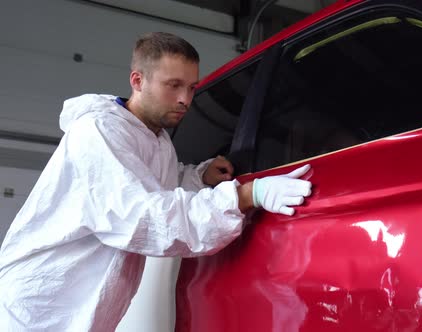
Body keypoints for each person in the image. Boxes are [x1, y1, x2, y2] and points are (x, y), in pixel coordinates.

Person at [0, 32, 312, 331]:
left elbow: (156, 181)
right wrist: (244, 195)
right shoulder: (99, 132)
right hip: (41, 306)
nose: (185, 99)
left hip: (81, 308)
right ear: (137, 80)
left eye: (191, 87)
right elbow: (142, 214)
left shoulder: (157, 139)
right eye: (173, 85)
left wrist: (197, 177)